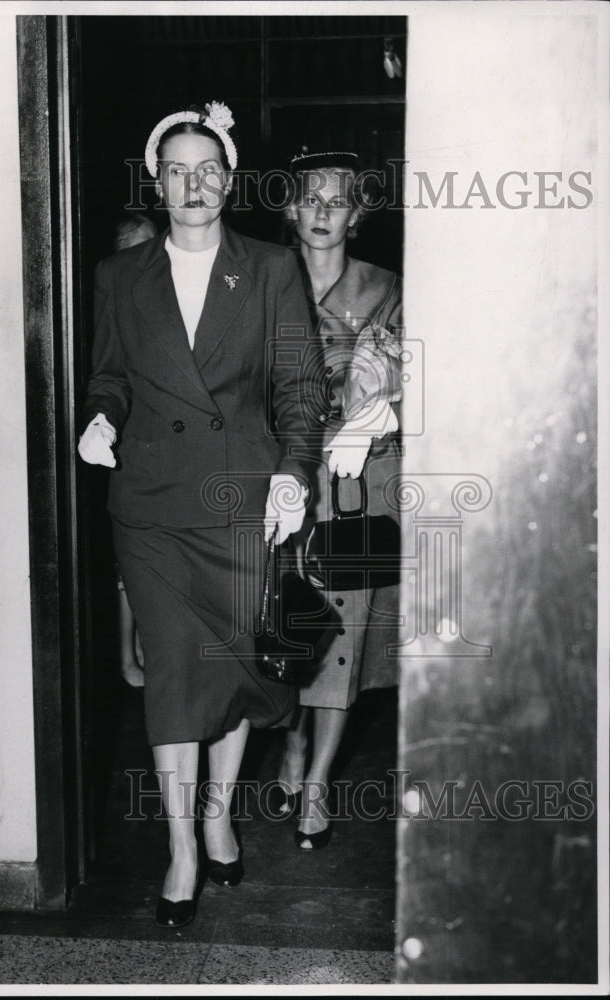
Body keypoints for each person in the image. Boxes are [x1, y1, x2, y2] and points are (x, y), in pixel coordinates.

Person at [78, 102, 314, 927]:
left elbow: (297, 388)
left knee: (233, 665)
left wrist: (293, 474)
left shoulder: (271, 269)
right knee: (176, 670)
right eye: (177, 168)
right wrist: (100, 414)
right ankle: (182, 845)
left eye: (208, 168)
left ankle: (219, 808)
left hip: (239, 502)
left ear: (229, 178)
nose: (194, 183)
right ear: (157, 179)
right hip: (149, 507)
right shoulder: (119, 277)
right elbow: (109, 372)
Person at [275, 149, 403, 850]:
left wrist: (374, 409)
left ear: (356, 216)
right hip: (279, 476)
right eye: (309, 198)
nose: (323, 211)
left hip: (356, 482)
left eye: (338, 201)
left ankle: (318, 778)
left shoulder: (386, 287)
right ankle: (291, 741)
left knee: (342, 635)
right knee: (284, 621)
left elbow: (402, 375)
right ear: (290, 209)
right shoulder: (259, 279)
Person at [109, 211, 158, 689]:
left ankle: (148, 646)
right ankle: (128, 656)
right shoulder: (113, 300)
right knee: (128, 564)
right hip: (124, 445)